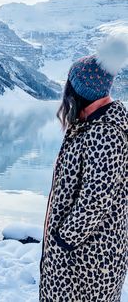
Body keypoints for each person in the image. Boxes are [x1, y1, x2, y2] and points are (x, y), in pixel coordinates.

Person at [39, 34, 128, 302]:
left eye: (70, 86)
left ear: (81, 92)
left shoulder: (105, 132)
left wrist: (63, 240)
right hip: (85, 252)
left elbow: (96, 198)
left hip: (88, 259)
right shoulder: (92, 125)